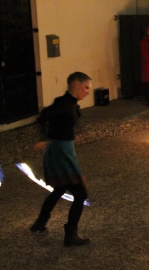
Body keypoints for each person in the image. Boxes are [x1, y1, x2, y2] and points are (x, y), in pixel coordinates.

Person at [29, 72, 92, 247]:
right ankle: (70, 235)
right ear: (75, 85)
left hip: (62, 149)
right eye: (86, 87)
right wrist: (45, 138)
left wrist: (69, 136)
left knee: (60, 188)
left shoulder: (70, 104)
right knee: (80, 193)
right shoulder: (63, 103)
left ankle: (40, 223)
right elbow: (43, 117)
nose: (87, 92)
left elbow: (61, 124)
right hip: (62, 152)